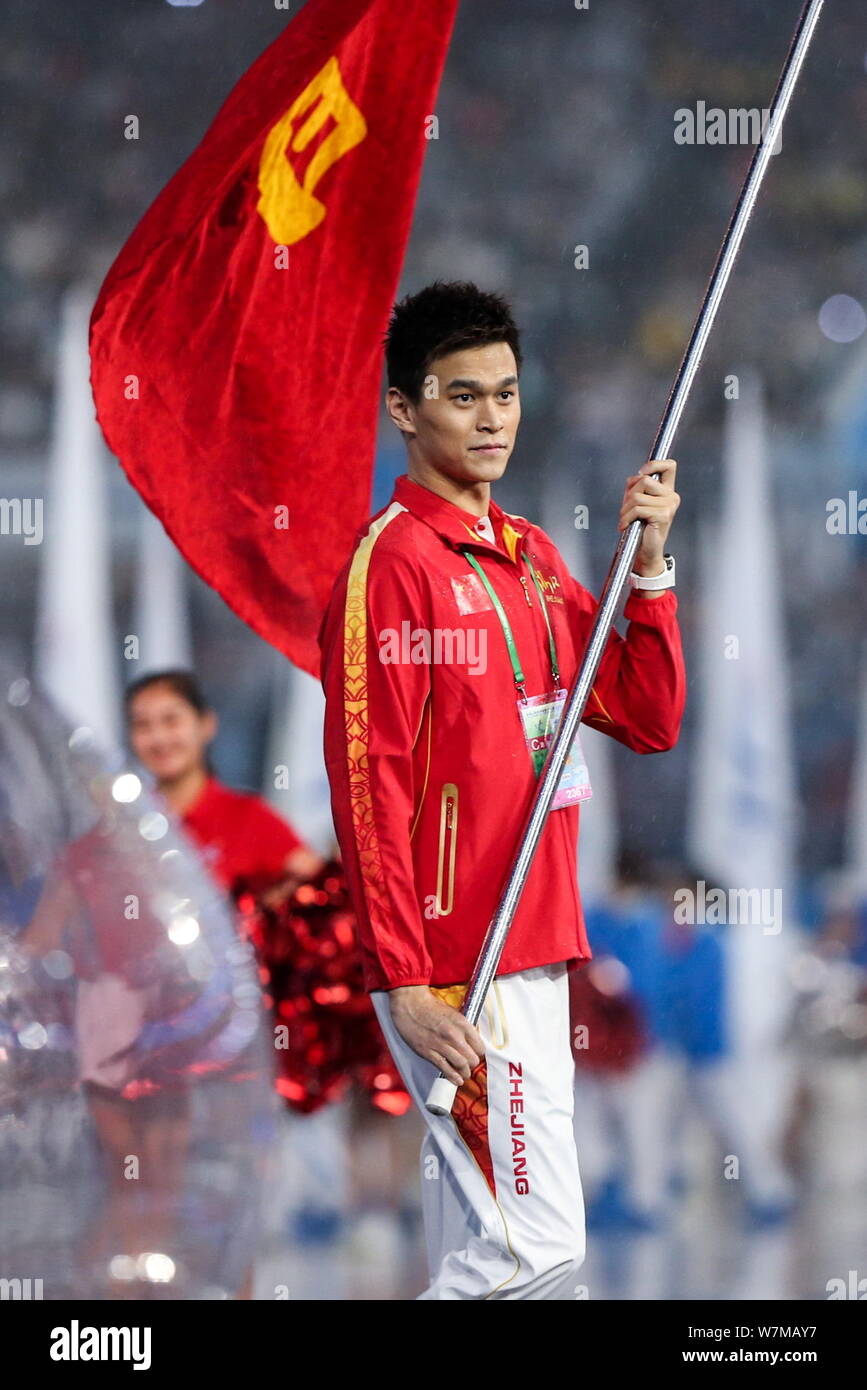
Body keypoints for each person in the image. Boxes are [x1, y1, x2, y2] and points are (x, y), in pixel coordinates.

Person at [318, 279, 686, 1299]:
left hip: (538, 949)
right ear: (406, 407)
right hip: (458, 972)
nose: (492, 419)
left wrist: (648, 569)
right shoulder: (389, 568)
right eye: (463, 394)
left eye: (508, 394)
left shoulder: (529, 562)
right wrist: (402, 976)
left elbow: (646, 716)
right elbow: (368, 786)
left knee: (495, 1256)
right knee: (536, 1250)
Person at [124, 669, 323, 903]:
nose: (158, 738)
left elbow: (317, 888)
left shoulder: (249, 818)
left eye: (171, 721)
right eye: (143, 725)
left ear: (206, 724)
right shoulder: (124, 824)